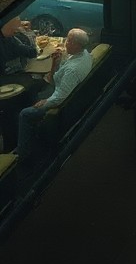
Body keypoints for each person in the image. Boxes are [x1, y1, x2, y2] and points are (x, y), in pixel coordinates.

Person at [16, 28, 92, 166]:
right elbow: (56, 78)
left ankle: (23, 154)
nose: (65, 43)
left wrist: (45, 102)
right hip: (63, 92)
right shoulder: (85, 54)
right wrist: (56, 63)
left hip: (60, 102)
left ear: (76, 45)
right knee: (32, 91)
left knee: (25, 113)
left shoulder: (72, 70)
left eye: (68, 40)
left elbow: (60, 97)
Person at [0, 18, 42, 151]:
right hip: (7, 85)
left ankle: (19, 145)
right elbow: (31, 52)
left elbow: (31, 52)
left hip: (9, 84)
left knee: (26, 98)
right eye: (14, 29)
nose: (16, 31)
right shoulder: (9, 40)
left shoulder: (10, 39)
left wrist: (27, 33)